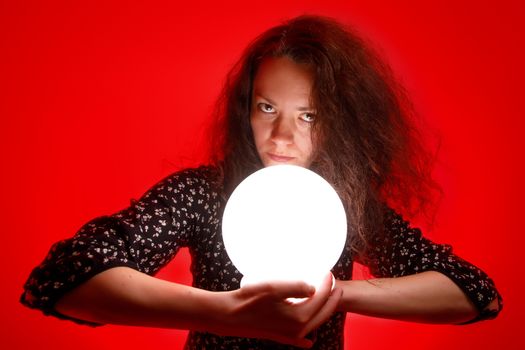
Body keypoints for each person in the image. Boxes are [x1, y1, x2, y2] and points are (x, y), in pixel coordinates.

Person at [21, 15, 502, 349]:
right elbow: (64, 277)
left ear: (340, 121)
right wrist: (223, 311)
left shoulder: (340, 207)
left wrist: (336, 294)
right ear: (245, 109)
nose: (282, 136)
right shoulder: (205, 194)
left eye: (308, 115)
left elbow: (474, 293)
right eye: (267, 108)